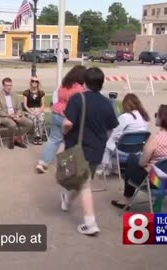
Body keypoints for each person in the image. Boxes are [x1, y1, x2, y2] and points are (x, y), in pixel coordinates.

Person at [61, 67, 119, 235]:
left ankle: (90, 222)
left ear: (84, 82)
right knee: (83, 181)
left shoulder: (77, 99)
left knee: (84, 184)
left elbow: (67, 123)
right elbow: (111, 128)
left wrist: (64, 134)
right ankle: (67, 199)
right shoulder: (107, 103)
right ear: (101, 83)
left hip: (77, 148)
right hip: (96, 150)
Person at [111, 104, 167, 210]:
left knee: (132, 159)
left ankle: (125, 199)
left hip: (155, 181)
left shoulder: (155, 140)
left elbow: (142, 163)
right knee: (141, 162)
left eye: (157, 115)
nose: (155, 117)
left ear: (162, 119)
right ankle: (130, 199)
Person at [36, 65, 87, 173]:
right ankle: (68, 166)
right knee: (70, 141)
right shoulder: (80, 89)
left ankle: (43, 163)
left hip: (56, 112)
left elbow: (59, 97)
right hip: (68, 116)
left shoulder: (64, 85)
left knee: (53, 139)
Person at [97, 93, 150, 176]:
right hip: (138, 149)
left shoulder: (125, 117)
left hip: (124, 149)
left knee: (108, 144)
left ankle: (106, 168)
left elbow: (116, 133)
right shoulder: (145, 117)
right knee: (114, 142)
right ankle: (115, 167)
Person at [0, 77, 33, 150]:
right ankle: (11, 142)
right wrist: (10, 116)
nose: (9, 87)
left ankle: (18, 139)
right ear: (3, 86)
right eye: (7, 85)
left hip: (15, 115)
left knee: (29, 122)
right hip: (4, 117)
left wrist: (17, 115)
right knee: (12, 124)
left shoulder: (15, 95)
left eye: (10, 85)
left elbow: (19, 108)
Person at [23, 76, 46, 145]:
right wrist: (31, 112)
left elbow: (43, 105)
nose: (34, 82)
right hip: (29, 110)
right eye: (33, 81)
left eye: (36, 81)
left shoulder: (41, 93)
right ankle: (36, 137)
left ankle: (39, 137)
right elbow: (25, 105)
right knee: (34, 119)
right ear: (30, 82)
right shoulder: (26, 92)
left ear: (38, 83)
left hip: (38, 110)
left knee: (41, 119)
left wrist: (39, 111)